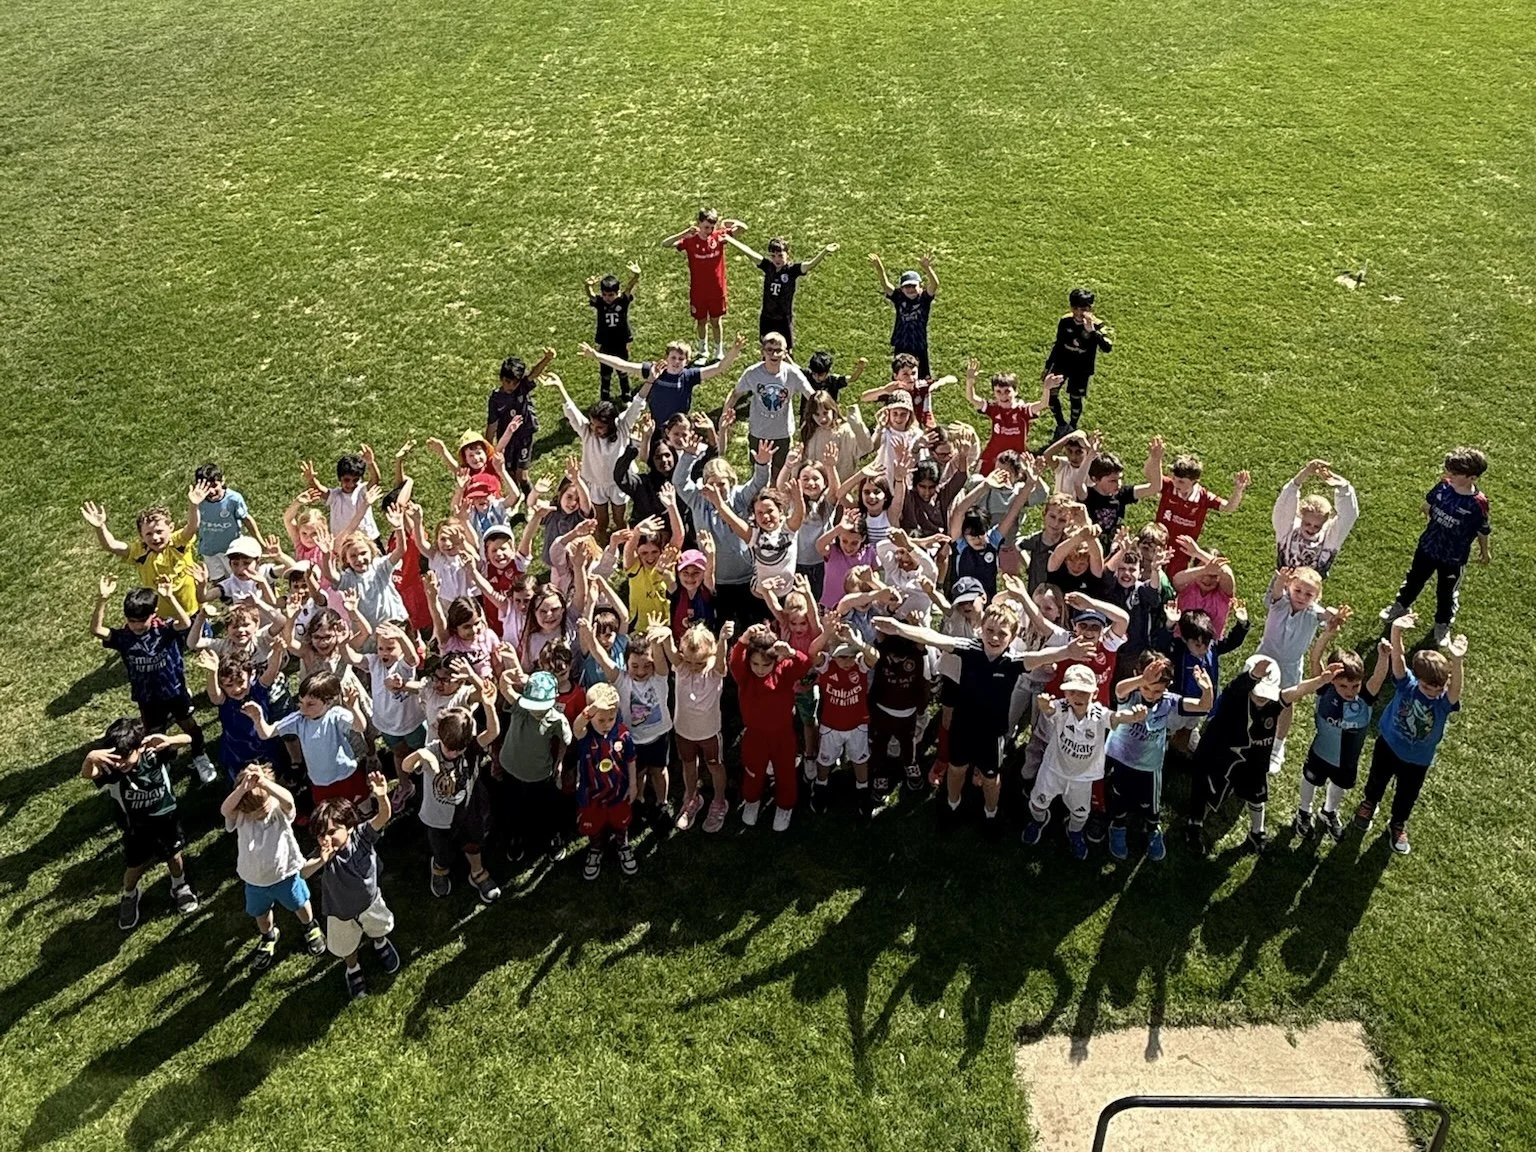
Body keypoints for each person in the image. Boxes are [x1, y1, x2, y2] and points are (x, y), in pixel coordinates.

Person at [1185, 654, 1341, 856]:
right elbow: (1235, 688)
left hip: (1255, 759)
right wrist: (1252, 676)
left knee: (1256, 794)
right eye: (1258, 693)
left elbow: (1296, 691)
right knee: (1208, 790)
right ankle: (1194, 824)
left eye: (1267, 695)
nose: (1262, 699)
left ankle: (1257, 832)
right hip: (1222, 757)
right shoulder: (1234, 700)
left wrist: (1320, 681)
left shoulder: (1274, 703)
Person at [1355, 613, 1467, 855]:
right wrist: (1396, 631)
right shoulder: (1408, 684)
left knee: (1407, 794)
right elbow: (1398, 659)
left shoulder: (1443, 701)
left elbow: (1456, 690)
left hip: (1418, 760)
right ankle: (1369, 803)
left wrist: (1457, 661)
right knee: (1377, 779)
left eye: (1438, 687)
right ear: (1419, 679)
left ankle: (1397, 824)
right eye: (1427, 686)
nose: (1432, 691)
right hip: (1388, 744)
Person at [91, 574, 217, 784]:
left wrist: (169, 597)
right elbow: (96, 630)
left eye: (142, 620)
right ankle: (164, 760)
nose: (137, 626)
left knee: (189, 725)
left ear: (154, 614)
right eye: (132, 621)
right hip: (147, 698)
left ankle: (199, 755)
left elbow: (185, 622)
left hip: (175, 691)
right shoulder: (124, 637)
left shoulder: (165, 629)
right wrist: (102, 599)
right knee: (153, 733)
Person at [81, 719, 200, 931]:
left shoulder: (154, 755)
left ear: (140, 747)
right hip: (136, 829)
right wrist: (90, 758)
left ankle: (179, 885)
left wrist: (169, 740)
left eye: (126, 756)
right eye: (115, 757)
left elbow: (188, 739)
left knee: (174, 855)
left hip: (167, 821)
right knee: (134, 867)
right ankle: (129, 894)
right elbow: (88, 774)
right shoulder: (113, 770)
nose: (120, 762)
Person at [1021, 664, 1148, 859]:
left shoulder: (1099, 714)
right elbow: (1048, 711)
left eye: (1084, 692)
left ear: (1095, 693)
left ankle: (1074, 832)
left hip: (1082, 777)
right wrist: (1044, 705)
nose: (1078, 697)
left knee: (1080, 812)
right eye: (1072, 691)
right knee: (1038, 803)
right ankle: (1039, 821)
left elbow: (1116, 717)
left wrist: (1133, 716)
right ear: (1065, 693)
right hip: (1053, 769)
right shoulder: (1062, 708)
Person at [300, 774, 401, 1000]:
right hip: (340, 913)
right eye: (320, 835)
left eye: (331, 831)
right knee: (346, 946)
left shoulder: (363, 836)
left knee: (378, 927)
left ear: (350, 826)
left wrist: (382, 796)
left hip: (371, 902)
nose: (325, 839)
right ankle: (352, 967)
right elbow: (302, 873)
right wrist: (321, 861)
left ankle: (380, 943)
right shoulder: (323, 854)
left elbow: (384, 815)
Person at [1103, 654, 1212, 861]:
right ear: (1138, 677)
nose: (1151, 695)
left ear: (1167, 687)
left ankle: (1153, 829)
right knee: (1119, 797)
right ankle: (1117, 827)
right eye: (1146, 688)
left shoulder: (1170, 703)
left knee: (1152, 804)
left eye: (1157, 690)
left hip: (1150, 766)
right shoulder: (1130, 695)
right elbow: (1119, 689)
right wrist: (1142, 681)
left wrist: (1207, 689)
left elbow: (1203, 706)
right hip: (1122, 761)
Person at [1379, 447, 1491, 646]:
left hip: (1453, 557)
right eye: (1448, 470)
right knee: (1414, 578)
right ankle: (1401, 605)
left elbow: (1482, 529)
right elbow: (1429, 503)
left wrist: (1485, 551)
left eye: (1455, 473)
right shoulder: (1443, 486)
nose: (1449, 475)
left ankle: (1442, 623)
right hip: (1428, 546)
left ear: (1472, 477)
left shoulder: (1477, 504)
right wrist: (1427, 512)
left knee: (1446, 592)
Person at [221, 763, 327, 971]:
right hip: (254, 881)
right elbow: (225, 809)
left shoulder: (279, 811)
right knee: (260, 913)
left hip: (285, 875)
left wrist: (265, 785)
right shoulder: (241, 816)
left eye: (263, 808)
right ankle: (269, 935)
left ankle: (310, 926)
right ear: (243, 807)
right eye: (255, 811)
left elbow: (288, 799)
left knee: (300, 903)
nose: (260, 814)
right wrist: (243, 788)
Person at [404, 682, 504, 902]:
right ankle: (439, 869)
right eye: (449, 747)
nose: (452, 753)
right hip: (437, 816)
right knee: (442, 851)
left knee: (473, 842)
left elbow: (494, 732)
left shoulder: (471, 748)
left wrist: (488, 705)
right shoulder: (432, 749)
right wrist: (421, 755)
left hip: (469, 810)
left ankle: (476, 872)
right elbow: (405, 767)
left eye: (458, 748)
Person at [1292, 617, 1382, 843]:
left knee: (1340, 785)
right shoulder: (1324, 689)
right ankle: (1304, 811)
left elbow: (1379, 676)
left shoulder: (1366, 698)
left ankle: (1329, 811)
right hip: (1320, 753)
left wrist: (1384, 655)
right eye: (1343, 685)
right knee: (1310, 780)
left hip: (1347, 760)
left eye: (1355, 685)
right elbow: (1315, 659)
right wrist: (1326, 636)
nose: (1350, 691)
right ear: (1332, 681)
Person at [81, 478, 210, 619]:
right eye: (149, 534)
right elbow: (111, 545)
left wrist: (194, 506)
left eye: (159, 532)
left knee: (198, 638)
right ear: (141, 536)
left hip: (192, 609)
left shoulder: (179, 542)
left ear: (171, 528)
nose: (155, 538)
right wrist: (100, 527)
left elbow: (192, 526)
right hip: (163, 616)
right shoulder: (139, 552)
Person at [546, 370, 651, 541]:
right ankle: (602, 549)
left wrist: (650, 381)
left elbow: (637, 404)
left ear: (611, 424)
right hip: (595, 485)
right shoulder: (587, 432)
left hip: (619, 484)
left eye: (600, 427)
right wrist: (560, 387)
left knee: (619, 520)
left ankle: (626, 546)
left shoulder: (623, 428)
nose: (595, 430)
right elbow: (571, 413)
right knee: (600, 522)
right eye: (593, 425)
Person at [729, 622, 815, 831]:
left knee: (785, 771)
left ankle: (785, 806)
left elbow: (804, 665)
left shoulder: (783, 670)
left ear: (775, 661)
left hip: (782, 736)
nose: (759, 669)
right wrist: (744, 639)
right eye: (755, 663)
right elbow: (734, 662)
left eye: (765, 665)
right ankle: (752, 801)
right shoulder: (745, 676)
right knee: (753, 771)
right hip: (754, 737)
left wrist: (792, 652)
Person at [246, 670, 369, 804]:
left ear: (328, 702)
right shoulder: (298, 719)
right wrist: (258, 719)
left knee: (361, 803)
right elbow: (266, 733)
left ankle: (368, 817)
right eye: (300, 702)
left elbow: (360, 727)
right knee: (330, 816)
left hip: (347, 774)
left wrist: (354, 708)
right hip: (320, 782)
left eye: (310, 704)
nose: (303, 709)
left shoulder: (336, 716)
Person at [495, 669, 572, 863]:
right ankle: (515, 837)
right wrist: (506, 677)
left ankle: (551, 838)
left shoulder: (557, 719)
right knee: (513, 806)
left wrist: (560, 761)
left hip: (539, 773)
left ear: (555, 698)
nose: (536, 711)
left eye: (541, 706)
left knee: (544, 809)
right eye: (533, 705)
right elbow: (505, 689)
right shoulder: (520, 707)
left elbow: (565, 740)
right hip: (510, 767)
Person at [570, 682, 641, 880]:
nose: (607, 724)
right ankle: (595, 849)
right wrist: (591, 709)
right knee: (594, 826)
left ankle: (623, 845)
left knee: (620, 823)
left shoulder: (622, 734)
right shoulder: (585, 735)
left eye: (611, 718)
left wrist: (634, 785)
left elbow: (631, 760)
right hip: (591, 794)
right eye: (601, 719)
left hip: (619, 791)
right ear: (590, 715)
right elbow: (576, 726)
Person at [722, 233, 838, 350]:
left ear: (788, 254)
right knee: (767, 347)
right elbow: (749, 252)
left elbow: (810, 265)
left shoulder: (792, 271)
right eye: (773, 256)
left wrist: (825, 251)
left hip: (783, 318)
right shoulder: (768, 267)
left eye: (780, 255)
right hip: (767, 317)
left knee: (786, 350)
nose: (776, 259)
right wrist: (730, 239)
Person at [670, 621, 733, 832]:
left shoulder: (715, 670)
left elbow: (721, 662)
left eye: (699, 663)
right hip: (683, 731)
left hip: (709, 734)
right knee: (688, 765)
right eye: (689, 661)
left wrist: (723, 639)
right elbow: (669, 650)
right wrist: (661, 635)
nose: (694, 667)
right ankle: (691, 799)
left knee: (714, 766)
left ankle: (719, 802)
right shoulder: (681, 667)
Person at [812, 618, 879, 817]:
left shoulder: (860, 664)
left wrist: (856, 642)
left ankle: (863, 791)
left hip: (857, 724)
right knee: (825, 760)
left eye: (851, 656)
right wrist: (826, 634)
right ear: (833, 655)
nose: (847, 662)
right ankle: (820, 787)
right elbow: (811, 654)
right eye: (842, 657)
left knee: (860, 759)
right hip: (831, 726)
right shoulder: (826, 666)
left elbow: (874, 657)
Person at [661, 208, 747, 362]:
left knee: (716, 321)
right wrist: (684, 232)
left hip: (717, 290)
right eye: (706, 227)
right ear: (699, 224)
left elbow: (743, 228)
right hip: (698, 291)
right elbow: (665, 243)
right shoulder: (690, 241)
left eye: (712, 227)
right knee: (701, 321)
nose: (709, 230)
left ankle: (719, 351)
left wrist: (728, 222)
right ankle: (703, 350)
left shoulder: (719, 236)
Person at [724, 331, 814, 472]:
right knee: (758, 473)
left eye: (778, 350)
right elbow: (735, 393)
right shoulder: (752, 373)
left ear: (785, 353)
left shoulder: (793, 374)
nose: (774, 354)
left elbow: (813, 397)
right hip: (758, 433)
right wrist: (726, 412)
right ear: (763, 352)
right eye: (770, 350)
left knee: (781, 473)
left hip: (782, 434)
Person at [1145, 436, 1250, 546]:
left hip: (1181, 553)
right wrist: (1153, 458)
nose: (1175, 483)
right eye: (1174, 478)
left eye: (1181, 482)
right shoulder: (1169, 486)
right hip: (1156, 547)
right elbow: (1150, 476)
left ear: (1194, 481)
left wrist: (1238, 490)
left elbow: (1228, 507)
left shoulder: (1203, 497)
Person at [1042, 286, 1114, 434]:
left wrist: (1092, 332)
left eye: (1084, 309)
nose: (1080, 313)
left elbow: (1107, 347)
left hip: (1081, 368)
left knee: (1075, 397)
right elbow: (1058, 345)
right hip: (1063, 363)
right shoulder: (1065, 321)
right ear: (1071, 308)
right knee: (1051, 393)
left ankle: (1073, 425)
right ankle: (1061, 423)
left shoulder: (1098, 325)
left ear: (1090, 308)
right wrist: (1048, 366)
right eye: (1076, 308)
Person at [485, 349, 557, 493]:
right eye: (507, 381)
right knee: (509, 474)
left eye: (514, 383)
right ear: (501, 378)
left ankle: (531, 503)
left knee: (522, 475)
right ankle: (515, 500)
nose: (511, 386)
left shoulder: (522, 388)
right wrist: (488, 448)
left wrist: (547, 359)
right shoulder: (496, 399)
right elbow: (492, 425)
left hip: (524, 435)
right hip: (507, 439)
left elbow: (534, 374)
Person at [1273, 458, 1359, 575]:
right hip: (1282, 587)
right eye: (1307, 523)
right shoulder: (1287, 532)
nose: (1311, 529)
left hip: (1310, 591)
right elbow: (1284, 505)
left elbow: (1349, 515)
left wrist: (1341, 485)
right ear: (1300, 517)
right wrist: (1305, 473)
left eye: (1317, 526)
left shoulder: (1329, 538)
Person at [964, 360, 1049, 473]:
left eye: (1007, 391)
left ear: (1016, 391)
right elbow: (972, 398)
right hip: (993, 455)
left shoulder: (1023, 411)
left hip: (1016, 457)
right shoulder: (993, 408)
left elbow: (1043, 404)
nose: (1003, 395)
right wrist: (970, 381)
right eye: (998, 391)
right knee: (980, 483)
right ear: (994, 393)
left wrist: (1047, 388)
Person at [870, 253, 939, 377]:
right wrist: (879, 268)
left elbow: (934, 285)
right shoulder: (899, 297)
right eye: (907, 286)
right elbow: (886, 285)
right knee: (900, 374)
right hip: (901, 343)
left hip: (918, 344)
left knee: (922, 377)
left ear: (920, 286)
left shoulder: (924, 298)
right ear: (901, 288)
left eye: (913, 286)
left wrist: (927, 268)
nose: (910, 289)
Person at [191, 462, 261, 583]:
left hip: (231, 550)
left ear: (222, 481)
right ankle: (228, 601)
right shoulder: (198, 501)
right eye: (206, 487)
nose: (211, 491)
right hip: (209, 550)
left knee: (241, 579)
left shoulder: (233, 499)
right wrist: (193, 504)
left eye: (214, 485)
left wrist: (260, 540)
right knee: (219, 583)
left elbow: (246, 519)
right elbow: (192, 524)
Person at [585, 262, 642, 400]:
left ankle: (626, 395)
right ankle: (605, 397)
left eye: (610, 295)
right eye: (604, 294)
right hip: (605, 343)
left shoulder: (622, 301)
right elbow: (591, 296)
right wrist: (587, 286)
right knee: (605, 372)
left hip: (620, 342)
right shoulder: (600, 303)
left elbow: (629, 288)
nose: (607, 298)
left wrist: (636, 275)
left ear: (617, 293)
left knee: (623, 370)